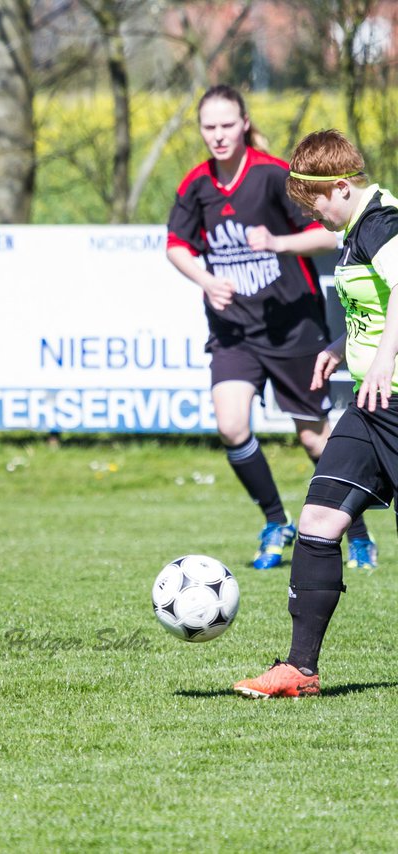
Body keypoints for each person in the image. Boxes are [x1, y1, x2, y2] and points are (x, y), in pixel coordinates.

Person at [166, 85, 376, 571]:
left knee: (313, 439)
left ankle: (357, 529)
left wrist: (278, 242)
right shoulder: (196, 184)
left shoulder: (272, 174)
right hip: (233, 330)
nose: (217, 135)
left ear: (243, 124)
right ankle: (274, 519)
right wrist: (204, 278)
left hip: (290, 326)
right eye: (208, 127)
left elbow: (327, 229)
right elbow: (175, 244)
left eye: (225, 125)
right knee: (231, 423)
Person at [233, 128, 397, 698]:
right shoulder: (354, 231)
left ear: (341, 185)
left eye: (315, 203)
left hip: (392, 397)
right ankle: (300, 670)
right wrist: (340, 350)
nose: (314, 215)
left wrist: (382, 359)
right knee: (318, 522)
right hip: (372, 407)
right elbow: (371, 308)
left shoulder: (381, 223)